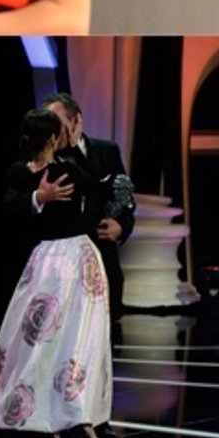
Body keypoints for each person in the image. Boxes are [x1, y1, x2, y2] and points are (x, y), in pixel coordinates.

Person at [0, 110, 113, 438]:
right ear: (54, 137)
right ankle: (47, 422)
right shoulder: (24, 174)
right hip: (53, 261)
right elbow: (8, 210)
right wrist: (40, 198)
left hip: (71, 258)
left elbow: (99, 191)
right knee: (43, 341)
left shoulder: (65, 170)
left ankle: (78, 419)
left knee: (79, 341)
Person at [43, 92, 133, 323]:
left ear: (76, 121)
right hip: (62, 266)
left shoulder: (107, 151)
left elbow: (123, 198)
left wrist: (121, 227)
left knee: (106, 330)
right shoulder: (45, 157)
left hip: (102, 258)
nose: (53, 132)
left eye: (58, 124)